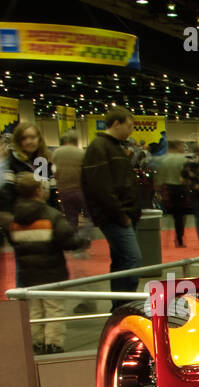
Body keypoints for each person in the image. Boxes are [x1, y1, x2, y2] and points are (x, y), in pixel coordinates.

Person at [3, 173, 89, 353]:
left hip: (27, 274)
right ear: (38, 191)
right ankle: (53, 343)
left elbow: (13, 242)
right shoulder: (51, 215)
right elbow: (67, 241)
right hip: (52, 272)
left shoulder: (13, 218)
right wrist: (83, 240)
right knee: (53, 309)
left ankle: (35, 342)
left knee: (34, 310)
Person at [81, 106, 143, 292]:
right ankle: (125, 302)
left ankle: (119, 307)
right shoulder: (100, 147)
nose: (131, 130)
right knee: (132, 259)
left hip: (122, 215)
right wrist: (121, 215)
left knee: (121, 262)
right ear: (116, 123)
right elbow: (100, 187)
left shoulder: (113, 147)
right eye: (129, 126)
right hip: (115, 217)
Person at [0, 123, 49, 209]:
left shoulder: (43, 163)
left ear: (39, 139)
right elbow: (6, 196)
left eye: (32, 137)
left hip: (43, 215)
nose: (29, 141)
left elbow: (50, 194)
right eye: (24, 138)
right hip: (21, 216)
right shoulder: (10, 162)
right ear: (18, 141)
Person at [51, 131, 87, 245]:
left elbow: (54, 172)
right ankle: (85, 240)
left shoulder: (55, 153)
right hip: (81, 190)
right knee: (88, 217)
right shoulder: (81, 153)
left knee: (71, 218)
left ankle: (73, 241)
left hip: (64, 190)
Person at [153, 140, 188, 247]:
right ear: (177, 146)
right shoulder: (183, 160)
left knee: (169, 214)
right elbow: (186, 176)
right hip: (180, 189)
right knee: (180, 216)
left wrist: (158, 191)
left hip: (167, 189)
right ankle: (179, 239)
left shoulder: (163, 160)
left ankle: (164, 239)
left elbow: (158, 179)